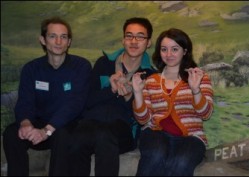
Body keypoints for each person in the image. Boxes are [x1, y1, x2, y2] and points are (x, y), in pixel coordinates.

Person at [2, 16, 92, 176]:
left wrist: (47, 130)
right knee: (11, 133)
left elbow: (75, 104)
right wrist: (25, 123)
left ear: (69, 42)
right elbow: (25, 101)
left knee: (62, 134)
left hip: (68, 125)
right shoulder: (31, 69)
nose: (58, 42)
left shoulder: (81, 66)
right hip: (39, 123)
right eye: (53, 36)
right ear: (43, 40)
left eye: (63, 37)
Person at [68, 17, 155, 176]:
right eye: (129, 36)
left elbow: (145, 117)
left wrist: (130, 96)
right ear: (123, 40)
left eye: (140, 36)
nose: (134, 41)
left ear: (148, 42)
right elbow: (87, 101)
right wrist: (111, 89)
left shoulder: (151, 75)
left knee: (105, 135)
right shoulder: (104, 63)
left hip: (123, 129)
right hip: (91, 122)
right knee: (77, 137)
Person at [132, 28, 214, 176]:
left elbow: (206, 114)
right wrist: (137, 93)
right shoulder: (151, 80)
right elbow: (143, 120)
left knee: (181, 162)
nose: (169, 54)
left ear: (185, 51)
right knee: (155, 154)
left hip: (191, 137)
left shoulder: (200, 77)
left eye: (175, 49)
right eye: (164, 49)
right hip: (155, 133)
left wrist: (196, 90)